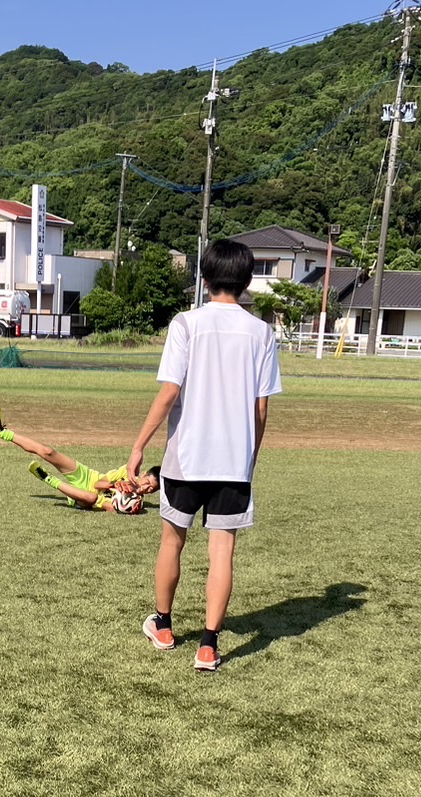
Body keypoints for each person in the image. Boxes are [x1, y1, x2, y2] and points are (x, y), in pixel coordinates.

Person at [128, 239, 282, 671]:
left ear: (205, 277)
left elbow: (169, 392)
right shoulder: (262, 332)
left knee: (171, 541)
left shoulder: (186, 324)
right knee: (222, 552)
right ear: (247, 281)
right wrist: (249, 457)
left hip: (187, 456)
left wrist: (139, 445)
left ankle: (163, 625)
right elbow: (261, 408)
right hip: (233, 461)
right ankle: (209, 645)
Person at [0, 407, 160, 511]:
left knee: (91, 497)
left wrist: (120, 500)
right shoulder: (127, 472)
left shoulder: (134, 503)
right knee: (48, 452)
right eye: (147, 482)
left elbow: (107, 506)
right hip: (88, 477)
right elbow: (98, 484)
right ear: (144, 474)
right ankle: (0, 432)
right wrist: (116, 485)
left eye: (151, 489)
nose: (146, 488)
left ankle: (47, 478)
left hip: (84, 498)